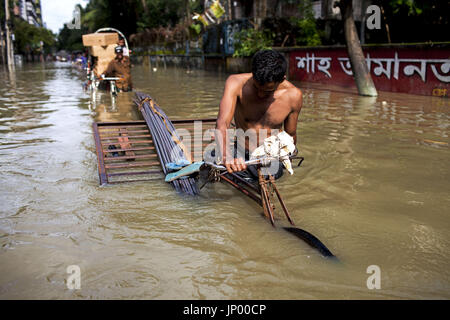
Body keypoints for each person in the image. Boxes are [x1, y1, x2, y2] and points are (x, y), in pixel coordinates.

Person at [215, 50, 302, 178]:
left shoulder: (293, 96)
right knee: (213, 166)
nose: (260, 94)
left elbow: (290, 136)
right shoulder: (236, 83)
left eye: (267, 91)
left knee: (269, 172)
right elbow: (222, 123)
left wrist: (286, 158)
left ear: (282, 79)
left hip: (269, 157)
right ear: (252, 74)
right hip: (240, 151)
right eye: (256, 88)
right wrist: (226, 157)